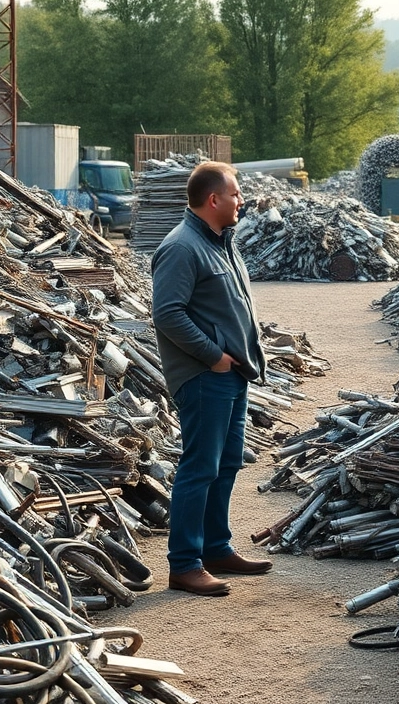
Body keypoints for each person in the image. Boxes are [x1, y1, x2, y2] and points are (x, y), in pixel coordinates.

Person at [151, 161, 270, 596]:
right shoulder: (182, 246)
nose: (242, 201)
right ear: (214, 199)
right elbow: (167, 313)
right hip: (204, 375)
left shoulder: (220, 241)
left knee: (226, 463)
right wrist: (213, 355)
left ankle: (216, 548)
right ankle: (184, 564)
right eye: (236, 194)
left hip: (231, 373)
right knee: (199, 467)